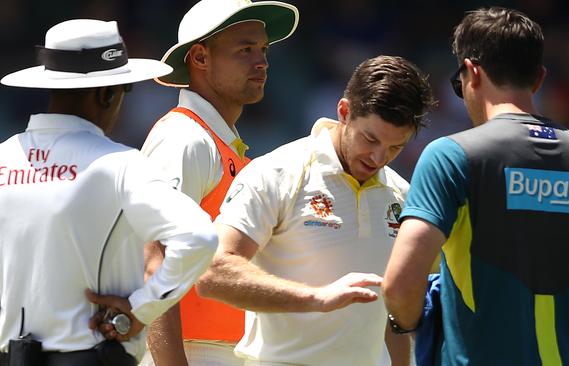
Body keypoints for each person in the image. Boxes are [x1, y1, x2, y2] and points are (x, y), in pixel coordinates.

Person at [382, 6, 569, 365]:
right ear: (538, 79)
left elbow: (400, 285)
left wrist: (408, 329)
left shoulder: (451, 156)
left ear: (471, 73)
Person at [0, 19, 218, 366]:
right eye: (123, 91)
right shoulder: (121, 164)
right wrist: (142, 309)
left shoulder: (4, 155)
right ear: (106, 93)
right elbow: (200, 237)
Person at [195, 55, 434, 366]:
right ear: (344, 112)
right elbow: (213, 273)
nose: (378, 157)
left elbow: (394, 312)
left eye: (395, 147)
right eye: (370, 138)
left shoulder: (402, 194)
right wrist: (317, 298)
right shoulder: (277, 172)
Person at [139, 0, 299, 365]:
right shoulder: (185, 137)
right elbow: (152, 258)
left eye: (263, 49)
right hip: (191, 352)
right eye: (245, 50)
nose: (262, 62)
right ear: (199, 58)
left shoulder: (216, 140)